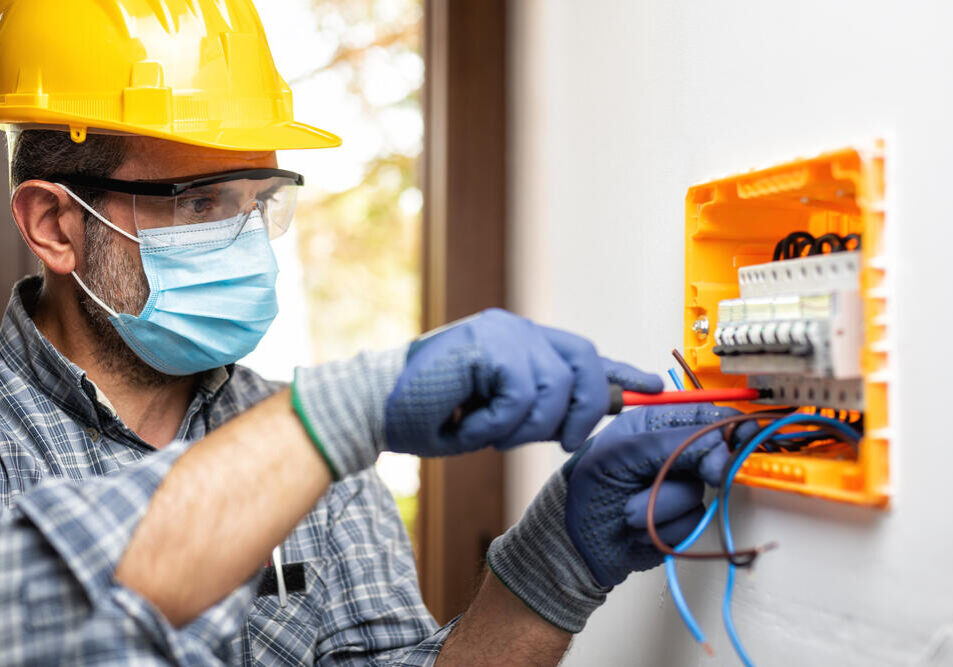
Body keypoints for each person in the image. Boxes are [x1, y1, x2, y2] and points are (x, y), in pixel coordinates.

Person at [0, 1, 741, 663]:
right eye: (202, 203)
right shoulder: (315, 436)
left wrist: (550, 570)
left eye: (258, 200)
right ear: (55, 225)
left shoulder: (323, 465)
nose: (247, 243)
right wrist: (340, 415)